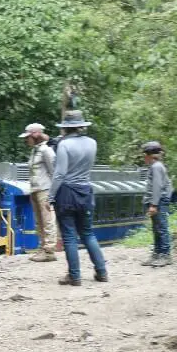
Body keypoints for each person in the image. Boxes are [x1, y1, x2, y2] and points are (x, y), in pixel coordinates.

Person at [48, 110, 108, 286]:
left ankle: (75, 276)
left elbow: (60, 173)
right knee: (88, 233)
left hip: (67, 192)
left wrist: (50, 196)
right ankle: (102, 272)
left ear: (65, 128)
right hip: (86, 190)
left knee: (69, 236)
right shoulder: (92, 143)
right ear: (81, 126)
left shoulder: (64, 145)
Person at [19, 123, 57, 261]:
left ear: (35, 135)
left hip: (45, 190)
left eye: (27, 137)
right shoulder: (35, 151)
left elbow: (54, 172)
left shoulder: (46, 151)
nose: (25, 140)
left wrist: (53, 193)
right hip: (35, 190)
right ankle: (42, 248)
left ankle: (49, 251)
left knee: (48, 220)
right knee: (38, 222)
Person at [141, 140, 174, 267]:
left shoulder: (156, 167)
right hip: (157, 201)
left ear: (150, 155)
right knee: (157, 228)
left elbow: (157, 187)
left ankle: (165, 255)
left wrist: (154, 205)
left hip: (159, 201)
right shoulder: (156, 166)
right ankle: (157, 253)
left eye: (145, 154)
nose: (144, 157)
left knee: (161, 228)